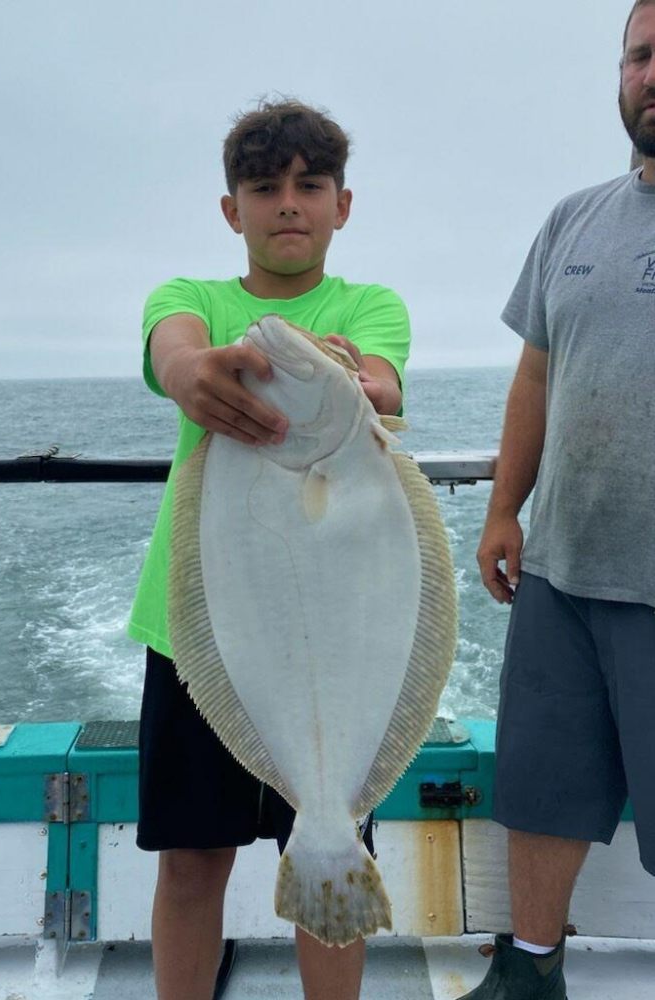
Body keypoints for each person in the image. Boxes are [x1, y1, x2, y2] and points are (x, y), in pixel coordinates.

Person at [128, 99, 410, 1000]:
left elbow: (382, 382)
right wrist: (191, 374)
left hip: (339, 651)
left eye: (310, 186)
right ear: (232, 210)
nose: (289, 204)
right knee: (189, 861)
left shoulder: (371, 305)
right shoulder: (193, 302)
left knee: (328, 841)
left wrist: (357, 380)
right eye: (264, 188)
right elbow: (173, 350)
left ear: (342, 205)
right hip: (200, 629)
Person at [465, 3, 655, 997]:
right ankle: (529, 973)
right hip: (561, 576)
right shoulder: (571, 219)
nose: (652, 72)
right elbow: (536, 378)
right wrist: (505, 509)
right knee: (540, 792)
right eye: (641, 54)